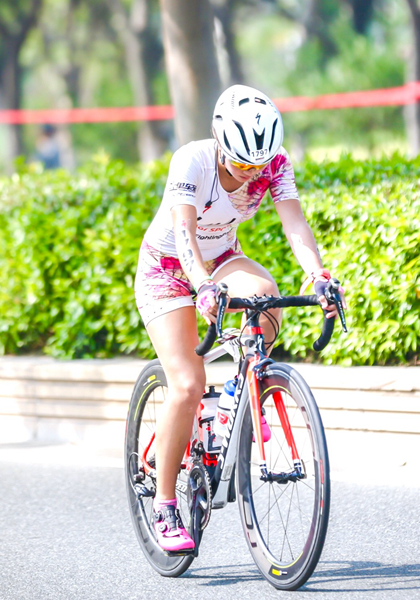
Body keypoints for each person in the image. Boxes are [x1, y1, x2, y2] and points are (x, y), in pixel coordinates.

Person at [133, 84, 343, 553]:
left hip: (224, 256)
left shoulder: (274, 163)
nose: (252, 174)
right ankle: (166, 503)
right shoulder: (192, 160)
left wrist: (318, 276)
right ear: (219, 140)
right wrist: (202, 286)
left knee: (266, 298)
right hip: (168, 268)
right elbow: (184, 232)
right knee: (186, 385)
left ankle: (235, 395)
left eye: (259, 165)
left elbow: (294, 222)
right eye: (242, 163)